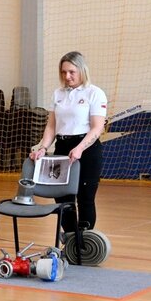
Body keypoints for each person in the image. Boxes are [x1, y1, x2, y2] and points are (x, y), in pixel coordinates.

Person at [30, 51, 107, 234]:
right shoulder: (58, 94)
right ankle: (72, 239)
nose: (67, 76)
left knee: (85, 198)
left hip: (86, 149)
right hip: (62, 148)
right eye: (64, 72)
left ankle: (85, 241)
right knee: (63, 198)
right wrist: (43, 148)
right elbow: (51, 126)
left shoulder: (95, 93)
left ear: (82, 70)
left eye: (72, 72)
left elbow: (97, 128)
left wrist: (80, 148)